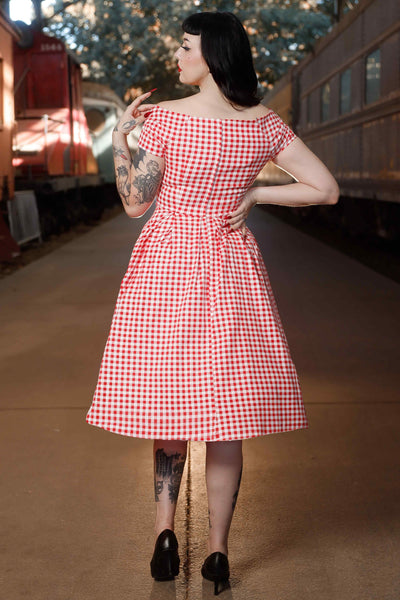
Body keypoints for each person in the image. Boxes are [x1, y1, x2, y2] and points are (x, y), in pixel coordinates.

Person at [86, 10, 339, 595]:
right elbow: (324, 189)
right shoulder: (264, 125)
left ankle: (165, 537)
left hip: (166, 270)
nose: (177, 57)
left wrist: (122, 139)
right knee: (228, 418)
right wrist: (256, 190)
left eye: (184, 46)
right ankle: (220, 553)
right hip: (231, 273)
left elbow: (133, 203)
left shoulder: (163, 119)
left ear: (212, 54)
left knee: (169, 406)